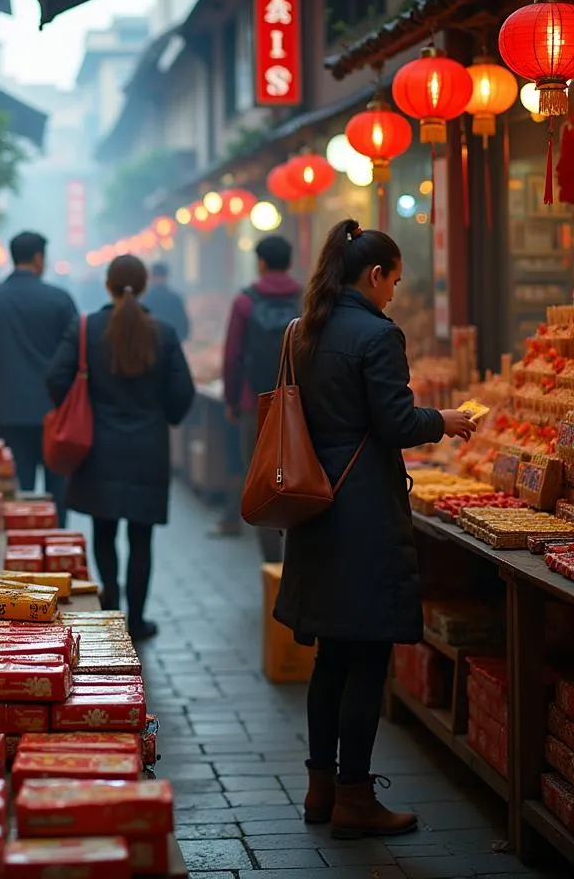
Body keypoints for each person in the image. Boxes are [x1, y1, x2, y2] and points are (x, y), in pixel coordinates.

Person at [273, 219, 476, 840]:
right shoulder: (377, 336)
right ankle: (357, 800)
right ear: (374, 274)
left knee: (331, 656)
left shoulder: (305, 330)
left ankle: (321, 787)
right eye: (393, 280)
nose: (394, 292)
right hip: (360, 509)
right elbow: (394, 422)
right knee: (366, 657)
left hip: (314, 505)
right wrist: (443, 419)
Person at [46, 255, 195, 640]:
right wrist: (164, 415)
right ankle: (138, 618)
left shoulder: (86, 329)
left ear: (108, 285)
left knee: (104, 530)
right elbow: (183, 392)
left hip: (99, 446)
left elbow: (56, 378)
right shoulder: (162, 332)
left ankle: (110, 606)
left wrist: (80, 406)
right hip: (148, 447)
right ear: (143, 285)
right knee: (142, 536)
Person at [0, 231, 77, 516]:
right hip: (54, 411)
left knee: (16, 486)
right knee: (56, 486)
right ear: (38, 258)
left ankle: (21, 550)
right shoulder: (60, 300)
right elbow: (77, 357)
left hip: (7, 410)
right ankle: (56, 546)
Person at [221, 235, 301, 551]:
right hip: (300, 403)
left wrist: (230, 400)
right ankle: (298, 550)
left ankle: (270, 559)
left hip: (254, 403)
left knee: (261, 479)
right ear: (290, 262)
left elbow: (232, 356)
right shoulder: (306, 299)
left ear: (261, 263)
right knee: (302, 472)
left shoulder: (245, 301)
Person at [141, 262, 190, 342]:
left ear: (151, 277)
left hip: (148, 343)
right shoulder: (175, 298)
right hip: (170, 342)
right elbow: (183, 325)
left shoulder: (145, 298)